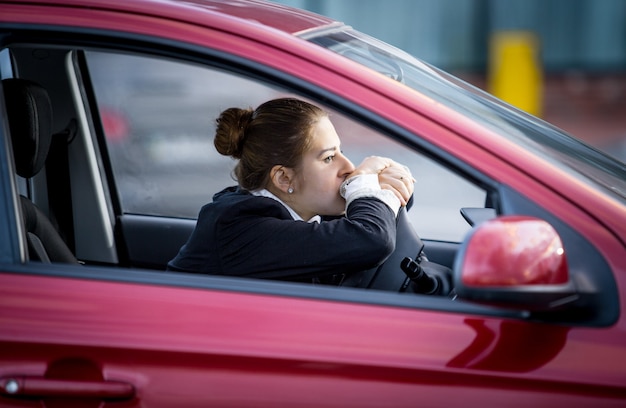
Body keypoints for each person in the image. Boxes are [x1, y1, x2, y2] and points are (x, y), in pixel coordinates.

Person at [167, 98, 415, 284]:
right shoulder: (242, 227)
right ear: (284, 178)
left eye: (341, 151)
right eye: (329, 158)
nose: (348, 167)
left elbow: (374, 220)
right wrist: (365, 184)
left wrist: (384, 185)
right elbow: (373, 239)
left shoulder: (299, 208)